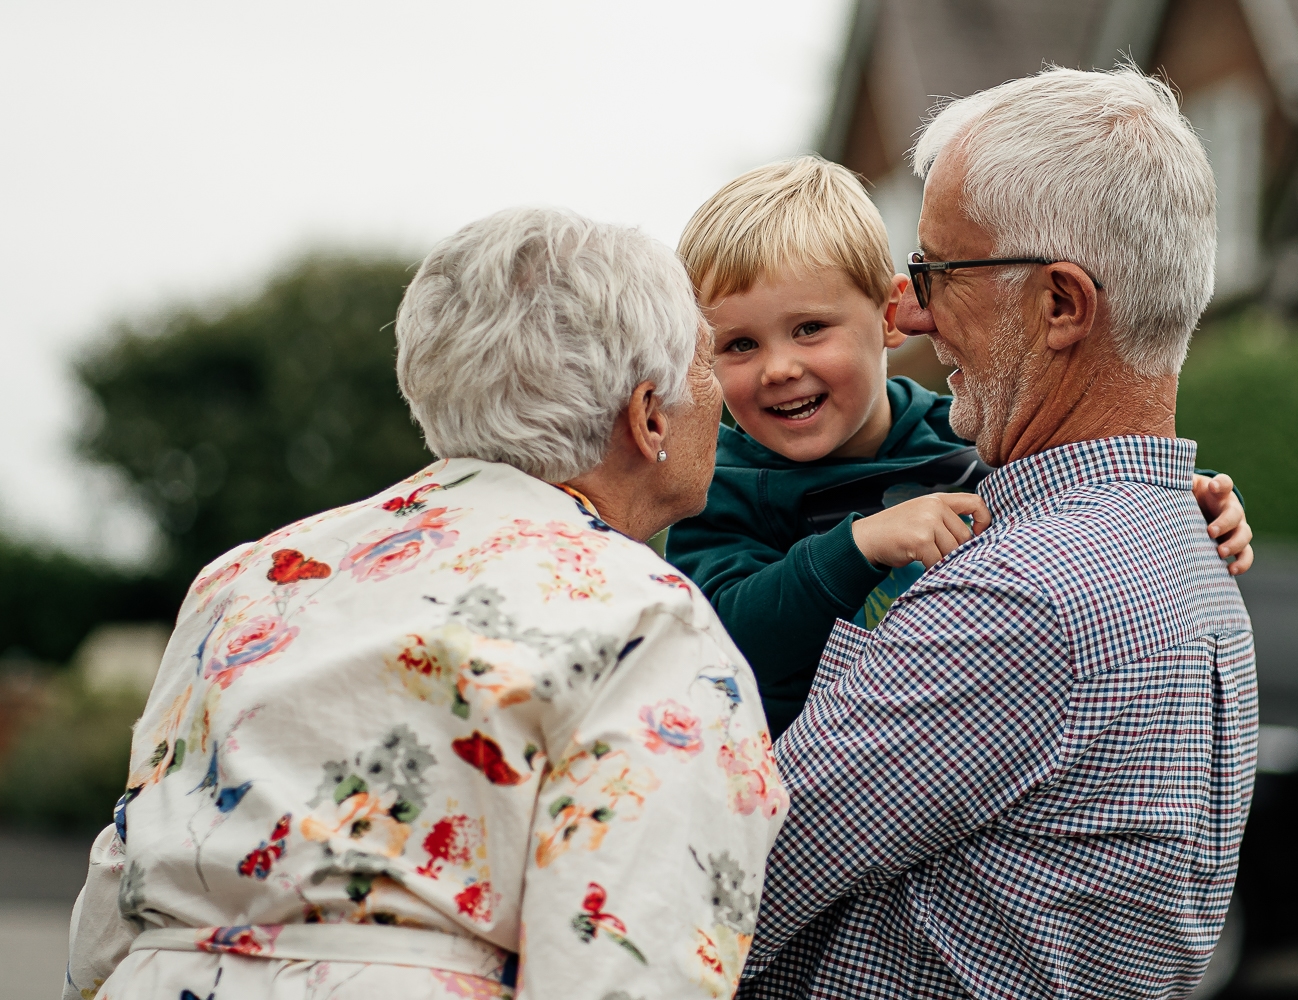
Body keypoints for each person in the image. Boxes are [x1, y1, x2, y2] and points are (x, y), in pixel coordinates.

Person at [63, 207, 786, 1000]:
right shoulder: (650, 621)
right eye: (710, 364)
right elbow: (625, 965)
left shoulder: (253, 574)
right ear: (649, 414)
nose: (723, 396)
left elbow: (115, 891)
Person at [737, 67, 1258, 999]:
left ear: (1062, 304)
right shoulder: (1190, 554)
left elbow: (725, 882)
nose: (915, 315)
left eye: (938, 272)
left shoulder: (1023, 597)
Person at [667, 155, 1254, 738]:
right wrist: (857, 546)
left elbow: (1077, 487)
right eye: (739, 345)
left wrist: (1193, 495)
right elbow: (717, 645)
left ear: (891, 317)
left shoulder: (968, 434)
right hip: (801, 778)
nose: (778, 369)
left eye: (810, 329)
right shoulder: (720, 483)